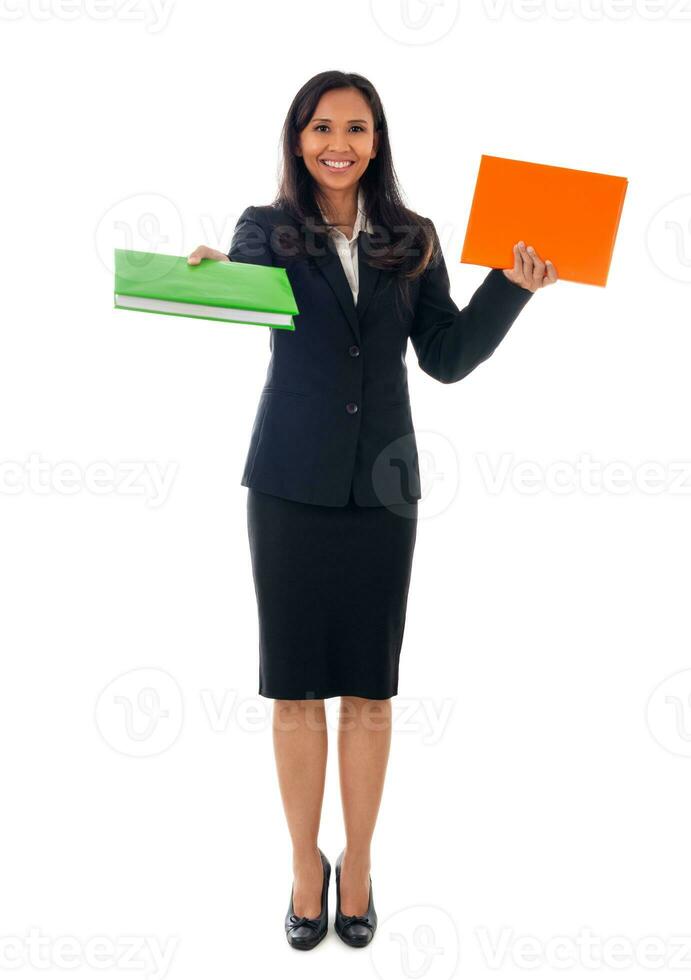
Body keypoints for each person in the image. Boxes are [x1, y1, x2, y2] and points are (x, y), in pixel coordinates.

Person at [187, 70, 558, 951]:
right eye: (321, 127)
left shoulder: (413, 237)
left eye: (356, 127)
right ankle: (300, 865)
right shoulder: (266, 228)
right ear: (298, 138)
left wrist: (512, 287)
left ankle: (357, 865)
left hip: (384, 490)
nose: (338, 143)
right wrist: (205, 272)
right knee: (291, 689)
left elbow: (445, 356)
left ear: (378, 138)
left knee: (370, 688)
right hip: (287, 484)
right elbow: (239, 285)